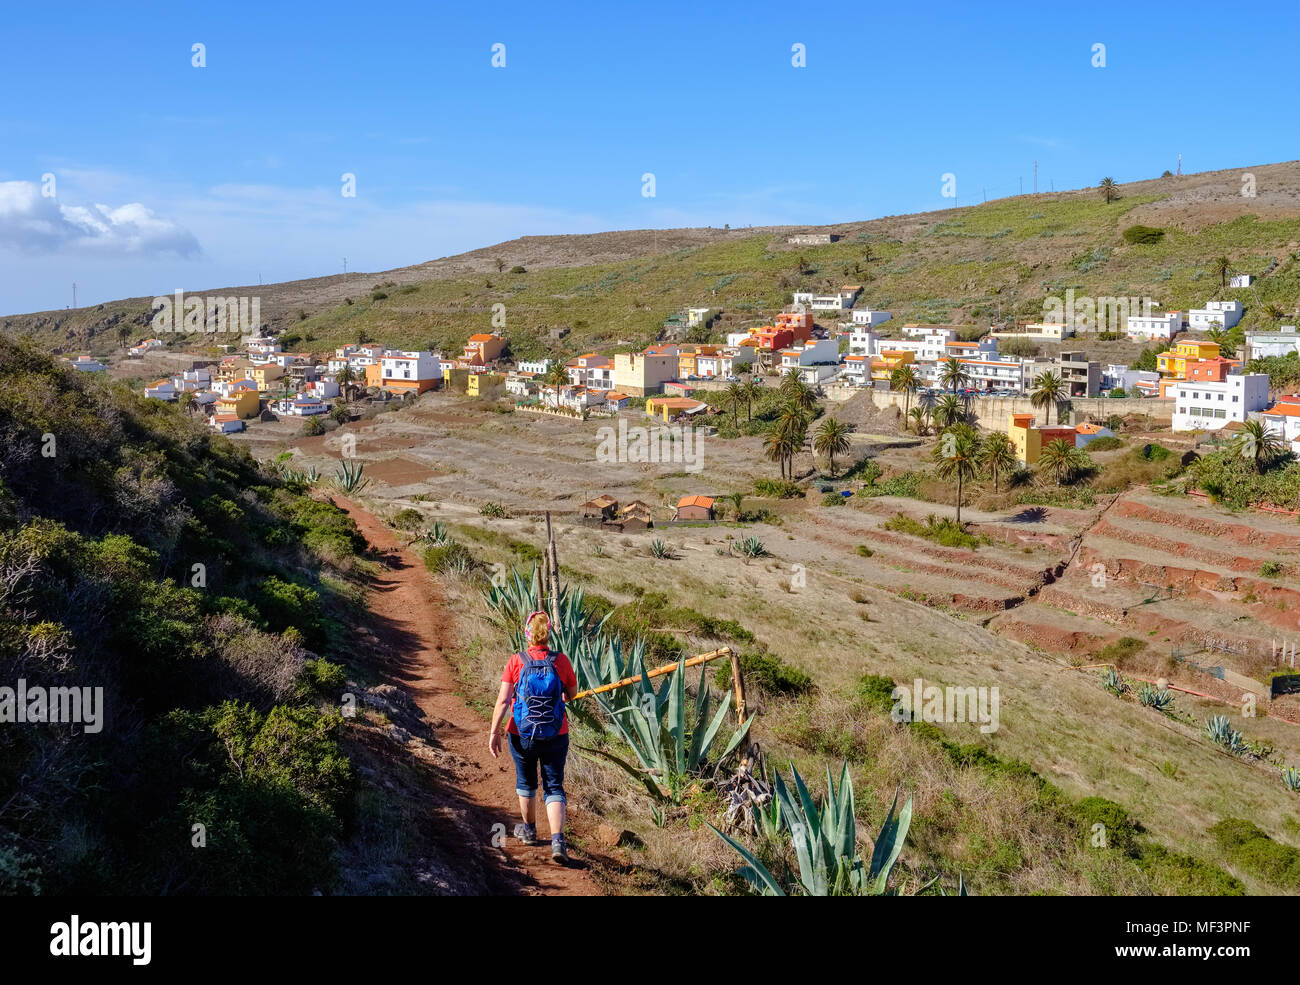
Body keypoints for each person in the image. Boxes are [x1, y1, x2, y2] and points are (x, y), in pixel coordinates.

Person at [488, 610, 577, 864]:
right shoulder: (561, 661)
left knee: (526, 781)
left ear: (527, 635)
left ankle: (529, 830)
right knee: (554, 785)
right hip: (556, 733)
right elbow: (572, 693)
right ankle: (558, 841)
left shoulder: (516, 661)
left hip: (521, 733)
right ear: (548, 635)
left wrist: (494, 731)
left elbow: (504, 700)